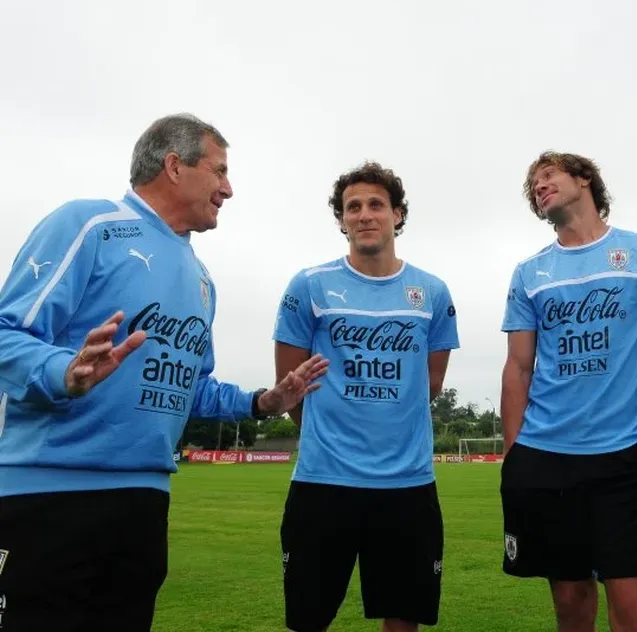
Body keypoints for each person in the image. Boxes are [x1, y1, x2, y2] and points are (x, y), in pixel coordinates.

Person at [0, 113, 329, 632]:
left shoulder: (202, 279)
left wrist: (260, 402)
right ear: (174, 166)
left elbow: (190, 388)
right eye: (220, 171)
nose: (229, 189)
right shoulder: (89, 225)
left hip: (145, 502)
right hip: (48, 495)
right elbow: (6, 331)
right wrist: (65, 371)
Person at [499, 151, 637, 632]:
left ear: (584, 178)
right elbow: (518, 368)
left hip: (630, 458)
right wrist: (515, 453)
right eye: (533, 185)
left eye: (548, 175)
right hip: (547, 458)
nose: (539, 186)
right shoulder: (529, 273)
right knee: (570, 606)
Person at [273, 161, 460, 632]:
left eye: (376, 204)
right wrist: (332, 438)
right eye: (352, 207)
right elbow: (291, 389)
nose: (364, 215)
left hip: (407, 485)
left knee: (404, 618)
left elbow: (430, 385)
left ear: (398, 214)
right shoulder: (309, 286)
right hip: (323, 482)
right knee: (308, 619)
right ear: (341, 220)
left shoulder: (432, 293)